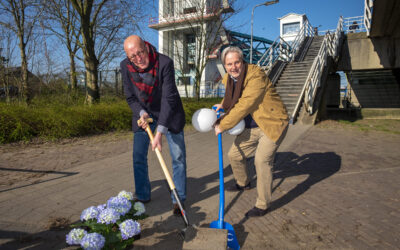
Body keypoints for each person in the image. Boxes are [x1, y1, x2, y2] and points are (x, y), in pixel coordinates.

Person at [213, 46, 289, 217]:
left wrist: (222, 125)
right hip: (252, 126)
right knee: (234, 155)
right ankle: (243, 183)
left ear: (243, 61)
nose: (234, 67)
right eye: (229, 64)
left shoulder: (256, 76)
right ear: (225, 66)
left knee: (261, 161)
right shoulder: (229, 79)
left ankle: (263, 204)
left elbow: (245, 103)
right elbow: (230, 96)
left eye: (237, 62)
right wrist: (223, 105)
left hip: (271, 123)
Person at [120, 35, 187, 215]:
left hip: (169, 113)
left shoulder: (164, 63)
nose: (138, 58)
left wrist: (159, 132)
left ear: (146, 47)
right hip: (144, 114)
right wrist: (142, 114)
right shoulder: (125, 66)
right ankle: (142, 195)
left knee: (178, 157)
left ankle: (178, 198)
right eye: (132, 56)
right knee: (138, 156)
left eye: (140, 52)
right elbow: (130, 97)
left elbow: (169, 98)